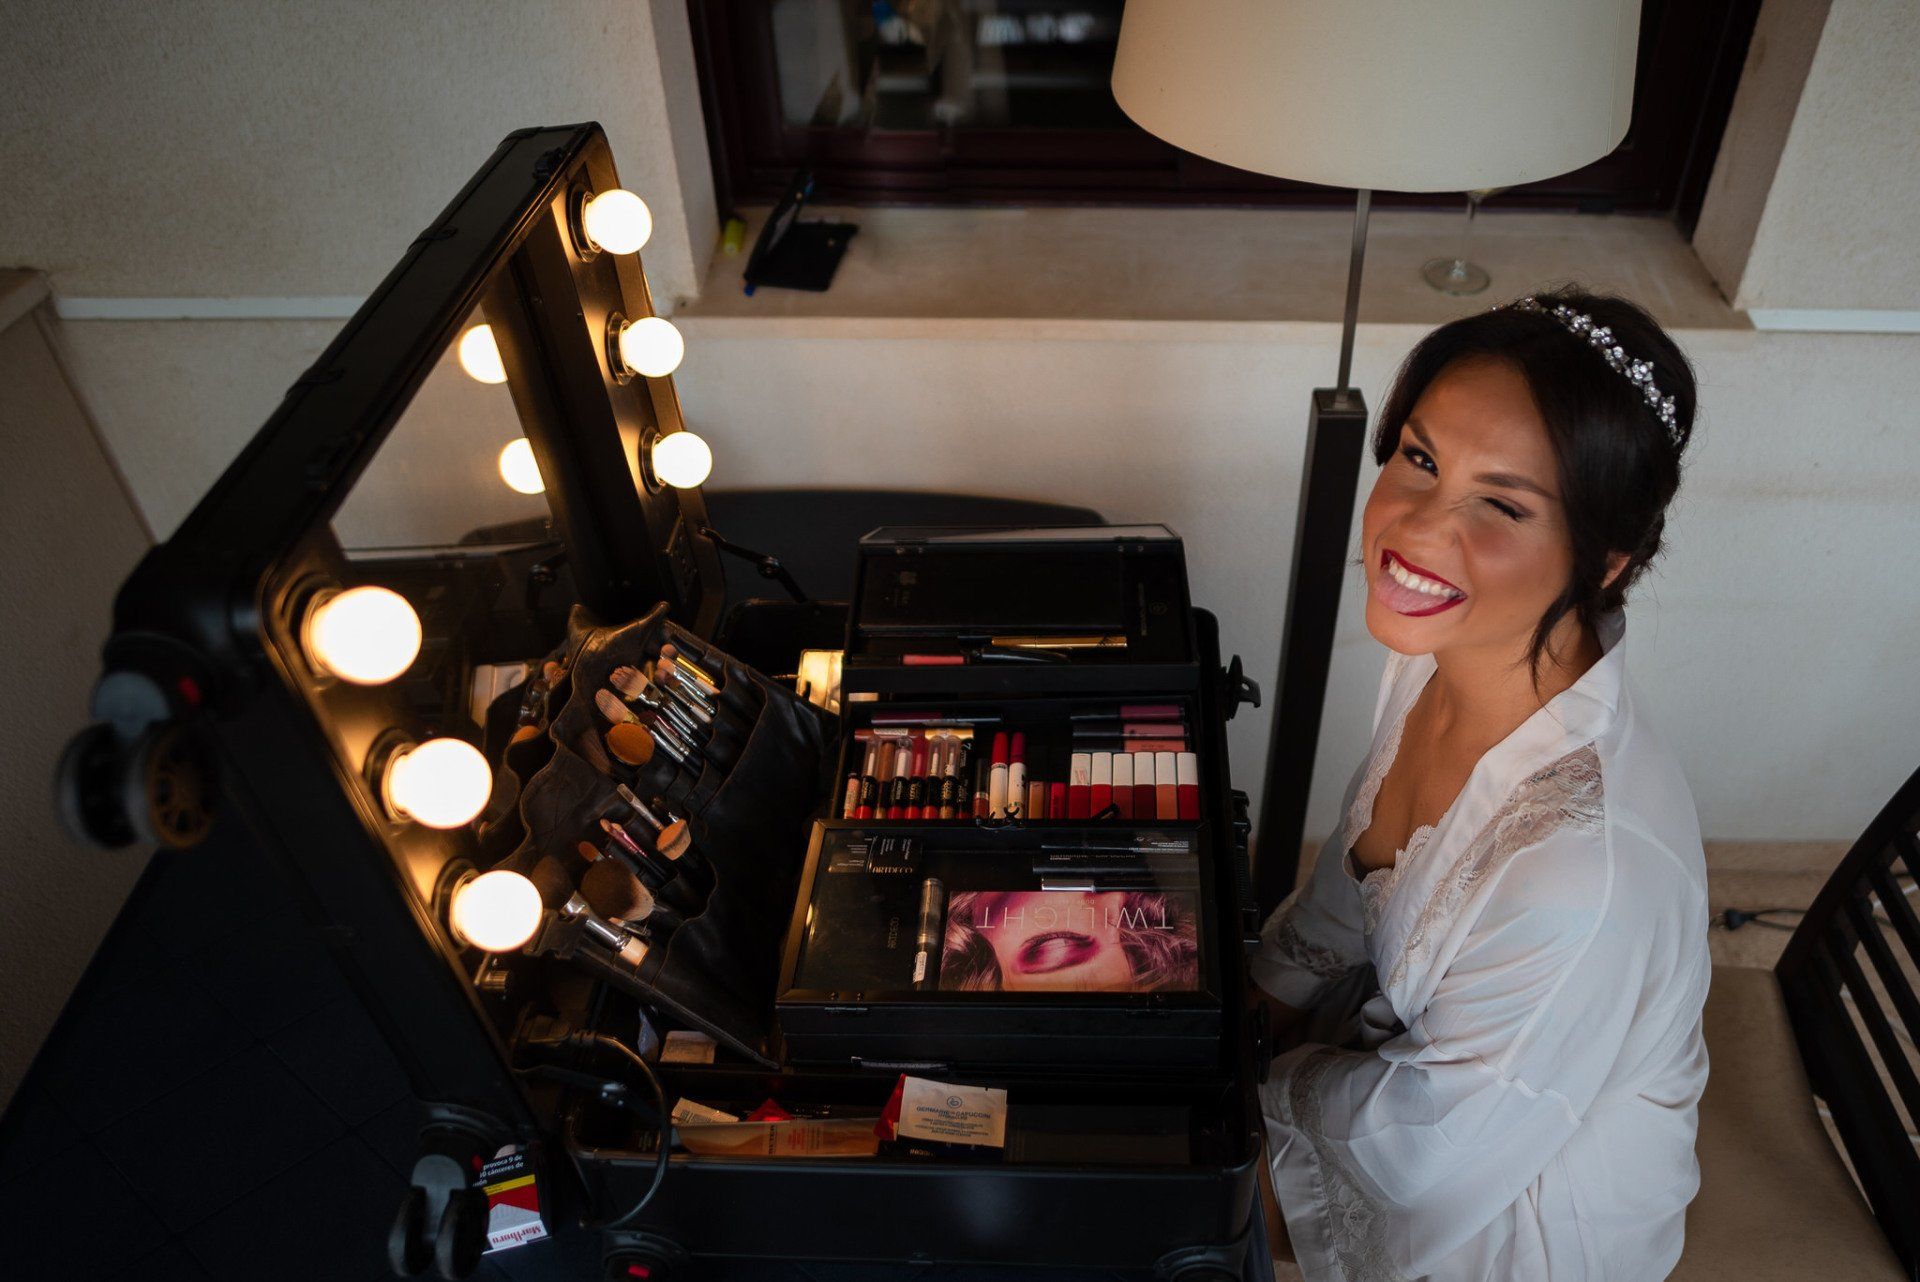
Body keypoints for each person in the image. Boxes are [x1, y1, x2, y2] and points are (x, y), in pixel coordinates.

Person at [1253, 287, 1710, 1279]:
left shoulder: (1579, 877)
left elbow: (1420, 1161)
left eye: (1501, 503)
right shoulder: (1447, 641)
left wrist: (1230, 1108)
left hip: (1513, 1207)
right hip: (1416, 1083)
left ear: (1607, 561)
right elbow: (1356, 866)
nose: (1415, 529)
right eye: (1419, 458)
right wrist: (1257, 996)